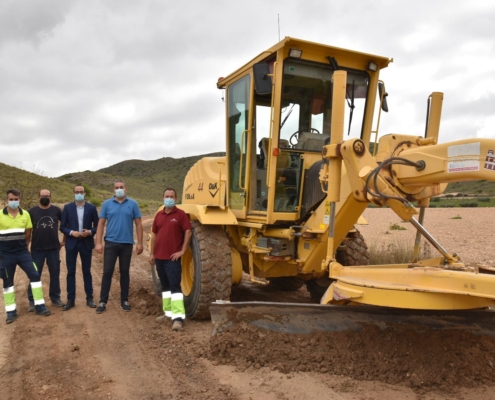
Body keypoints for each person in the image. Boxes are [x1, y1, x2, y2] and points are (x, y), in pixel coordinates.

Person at [0, 189, 51, 324]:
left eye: (16, 199)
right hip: (5, 254)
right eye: (11, 199)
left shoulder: (25, 215)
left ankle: (40, 306)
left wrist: (25, 245)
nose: (13, 202)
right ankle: (11, 312)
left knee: (35, 275)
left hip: (22, 252)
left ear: (20, 200)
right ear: (7, 200)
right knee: (7, 282)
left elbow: (28, 232)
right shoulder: (0, 215)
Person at [95, 180, 143, 314]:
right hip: (111, 242)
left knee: (125, 272)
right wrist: (98, 242)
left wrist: (140, 243)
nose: (119, 189)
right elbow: (101, 224)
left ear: (126, 189)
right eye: (117, 188)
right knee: (107, 272)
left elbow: (139, 224)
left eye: (121, 187)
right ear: (113, 190)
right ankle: (103, 301)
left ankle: (124, 301)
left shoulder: (133, 204)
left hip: (127, 243)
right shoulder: (107, 204)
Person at [149, 188, 192, 331]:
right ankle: (168, 313)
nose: (169, 198)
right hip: (159, 258)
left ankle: (178, 318)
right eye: (166, 196)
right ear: (163, 198)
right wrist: (151, 253)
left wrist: (182, 250)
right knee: (165, 287)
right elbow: (154, 234)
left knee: (175, 287)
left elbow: (188, 231)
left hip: (172, 259)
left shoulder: (180, 215)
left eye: (171, 196)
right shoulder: (159, 215)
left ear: (176, 198)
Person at [60, 185, 99, 310]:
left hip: (86, 242)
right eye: (77, 192)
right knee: (71, 272)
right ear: (73, 193)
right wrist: (72, 232)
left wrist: (90, 232)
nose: (79, 194)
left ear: (85, 193)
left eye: (81, 192)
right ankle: (70, 300)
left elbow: (98, 226)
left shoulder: (92, 208)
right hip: (72, 243)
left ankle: (90, 298)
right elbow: (62, 227)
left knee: (87, 271)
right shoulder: (67, 208)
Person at [27, 189, 65, 311]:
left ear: (51, 197)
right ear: (38, 197)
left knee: (55, 273)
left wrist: (63, 241)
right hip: (37, 248)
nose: (45, 197)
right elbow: (27, 230)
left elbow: (65, 225)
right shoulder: (31, 211)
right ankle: (32, 300)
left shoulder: (56, 210)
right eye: (42, 195)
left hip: (53, 248)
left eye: (47, 196)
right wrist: (25, 245)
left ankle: (55, 298)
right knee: (34, 274)